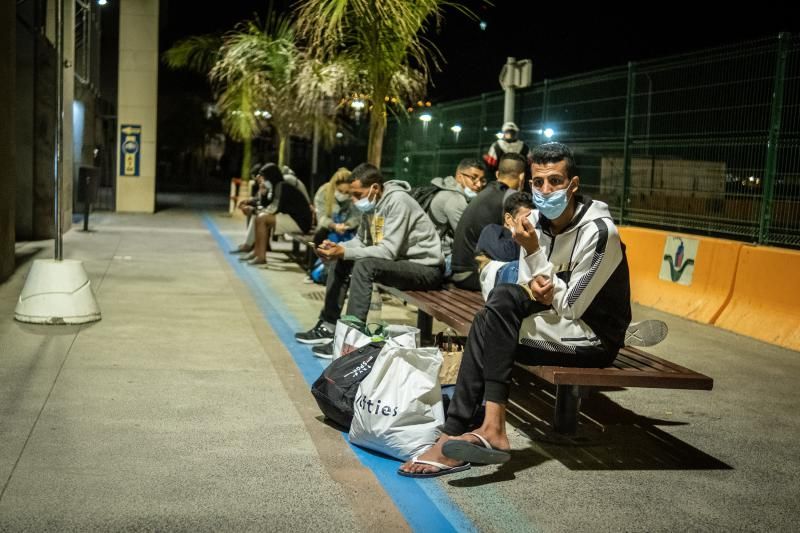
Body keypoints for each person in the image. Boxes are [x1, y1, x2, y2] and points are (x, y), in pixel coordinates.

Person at [399, 142, 668, 477]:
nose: (545, 190)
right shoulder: (535, 222)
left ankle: (466, 430)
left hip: (592, 338)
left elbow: (570, 306)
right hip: (552, 321)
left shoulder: (600, 233)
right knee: (496, 307)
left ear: (573, 184)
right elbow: (528, 291)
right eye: (538, 182)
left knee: (489, 324)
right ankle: (481, 427)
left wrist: (535, 258)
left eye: (555, 181)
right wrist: (540, 276)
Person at [294, 163, 444, 355]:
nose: (354, 200)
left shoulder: (398, 201)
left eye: (358, 194)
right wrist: (338, 248)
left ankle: (350, 340)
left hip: (426, 269)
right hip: (401, 263)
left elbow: (388, 251)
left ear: (374, 188)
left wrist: (344, 251)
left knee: (365, 266)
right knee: (343, 259)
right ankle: (328, 325)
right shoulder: (371, 206)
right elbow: (361, 242)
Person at [450, 152, 526, 290]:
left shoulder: (486, 193)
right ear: (522, 177)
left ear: (498, 174)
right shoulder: (511, 198)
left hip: (459, 271)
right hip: (472, 273)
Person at [427, 158, 486, 276]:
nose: (479, 184)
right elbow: (468, 238)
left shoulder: (446, 189)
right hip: (440, 259)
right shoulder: (455, 199)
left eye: (482, 180)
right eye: (474, 178)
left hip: (432, 253)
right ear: (459, 177)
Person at [246, 163, 313, 266]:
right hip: (291, 218)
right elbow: (267, 205)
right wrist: (263, 192)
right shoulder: (276, 186)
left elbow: (274, 208)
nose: (263, 180)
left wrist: (256, 211)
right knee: (259, 218)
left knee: (261, 218)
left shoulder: (282, 186)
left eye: (264, 177)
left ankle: (261, 257)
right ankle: (257, 252)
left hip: (300, 222)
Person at [475, 192, 534, 301]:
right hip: (502, 280)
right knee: (517, 267)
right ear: (508, 219)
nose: (530, 223)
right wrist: (520, 234)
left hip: (516, 284)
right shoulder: (492, 230)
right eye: (526, 218)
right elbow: (506, 254)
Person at [312, 167, 359, 248]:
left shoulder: (355, 195)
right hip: (327, 228)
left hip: (347, 228)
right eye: (340, 191)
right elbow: (321, 217)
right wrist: (334, 226)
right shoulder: (323, 192)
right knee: (320, 236)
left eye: (347, 192)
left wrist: (346, 225)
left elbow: (357, 216)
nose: (343, 194)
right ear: (334, 187)